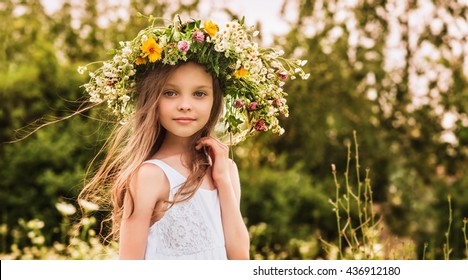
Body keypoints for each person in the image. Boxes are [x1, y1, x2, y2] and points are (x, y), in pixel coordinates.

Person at [76, 16, 309, 260]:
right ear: (152, 100)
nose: (185, 105)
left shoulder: (226, 170)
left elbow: (240, 257)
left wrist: (222, 180)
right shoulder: (150, 176)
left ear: (214, 101)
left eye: (199, 93)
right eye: (170, 93)